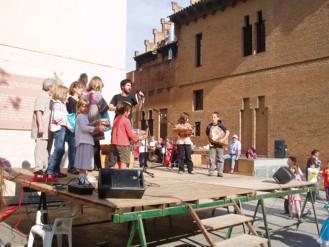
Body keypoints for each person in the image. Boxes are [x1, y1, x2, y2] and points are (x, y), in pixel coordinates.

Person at [74, 98, 104, 185]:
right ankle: (82, 177)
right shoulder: (80, 116)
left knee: (86, 160)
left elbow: (87, 126)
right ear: (79, 107)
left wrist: (96, 124)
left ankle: (83, 176)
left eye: (87, 106)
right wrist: (95, 128)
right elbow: (84, 128)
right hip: (84, 141)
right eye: (83, 106)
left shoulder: (85, 117)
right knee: (84, 160)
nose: (86, 108)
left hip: (87, 141)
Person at [31, 78, 56, 174]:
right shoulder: (42, 96)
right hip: (42, 128)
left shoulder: (49, 98)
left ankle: (45, 168)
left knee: (47, 150)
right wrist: (40, 126)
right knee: (41, 147)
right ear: (50, 87)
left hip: (48, 129)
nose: (55, 88)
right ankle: (38, 168)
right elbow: (38, 111)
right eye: (54, 86)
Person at [111, 101, 146, 169]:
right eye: (129, 111)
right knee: (124, 162)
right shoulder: (126, 120)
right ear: (125, 111)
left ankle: (115, 177)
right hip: (123, 144)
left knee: (118, 161)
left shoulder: (116, 119)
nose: (129, 113)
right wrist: (139, 138)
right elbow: (130, 134)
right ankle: (123, 177)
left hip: (114, 143)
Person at [47, 85, 71, 178]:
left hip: (63, 128)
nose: (66, 95)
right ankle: (50, 170)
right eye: (65, 93)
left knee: (61, 150)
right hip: (59, 128)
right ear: (61, 94)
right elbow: (57, 118)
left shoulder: (61, 104)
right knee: (58, 149)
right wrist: (66, 123)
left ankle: (56, 170)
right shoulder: (57, 104)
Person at [86, 76, 107, 170]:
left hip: (87, 123)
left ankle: (89, 166)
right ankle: (97, 166)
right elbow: (104, 108)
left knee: (88, 145)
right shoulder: (98, 94)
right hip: (96, 122)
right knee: (96, 145)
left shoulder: (86, 94)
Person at [66, 81, 84, 174]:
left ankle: (76, 166)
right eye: (80, 87)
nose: (82, 90)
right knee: (72, 147)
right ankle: (71, 167)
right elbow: (71, 115)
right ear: (74, 89)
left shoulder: (80, 100)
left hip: (80, 127)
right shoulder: (70, 100)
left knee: (77, 147)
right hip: (73, 127)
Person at [206, 112, 230, 177]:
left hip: (220, 144)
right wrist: (209, 141)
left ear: (217, 118)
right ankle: (211, 171)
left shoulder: (221, 125)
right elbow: (208, 135)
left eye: (214, 117)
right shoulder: (209, 126)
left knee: (220, 159)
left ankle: (220, 172)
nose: (213, 118)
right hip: (212, 145)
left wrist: (223, 139)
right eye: (212, 117)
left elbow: (227, 132)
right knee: (211, 159)